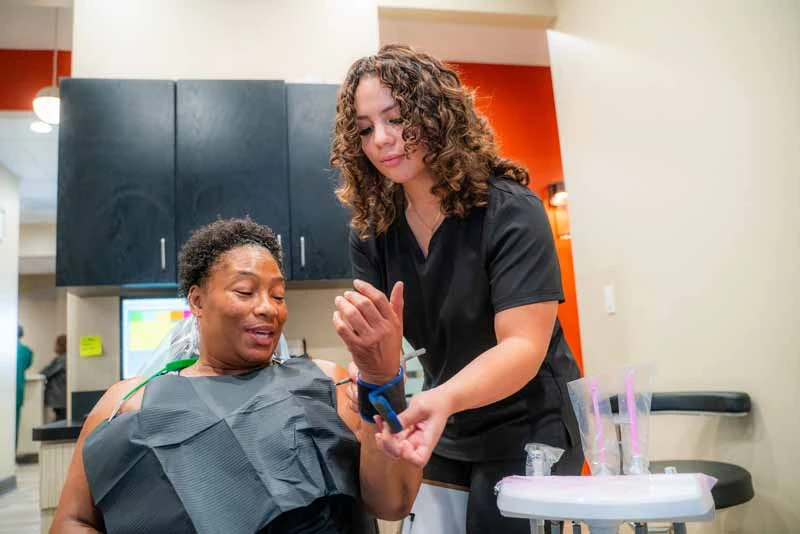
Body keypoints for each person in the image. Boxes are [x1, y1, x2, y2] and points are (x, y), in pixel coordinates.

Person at [330, 44, 583, 533]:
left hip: (529, 424)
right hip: (446, 422)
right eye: (365, 129)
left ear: (435, 115)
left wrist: (440, 399)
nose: (382, 139)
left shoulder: (510, 210)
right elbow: (388, 351)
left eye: (396, 118)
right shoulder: (373, 231)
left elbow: (523, 347)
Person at [52, 218, 421, 533]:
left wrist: (382, 378)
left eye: (278, 295)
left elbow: (393, 503)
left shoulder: (328, 385)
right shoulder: (126, 404)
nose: (267, 308)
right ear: (196, 301)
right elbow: (72, 519)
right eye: (245, 291)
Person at [42, 334, 68, 421]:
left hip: (60, 398)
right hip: (62, 398)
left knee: (60, 420)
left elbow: (47, 372)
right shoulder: (66, 358)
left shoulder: (61, 359)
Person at [16, 325, 34, 450]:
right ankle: (10, 458)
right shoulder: (26, 352)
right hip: (17, 392)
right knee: (13, 426)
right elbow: (26, 365)